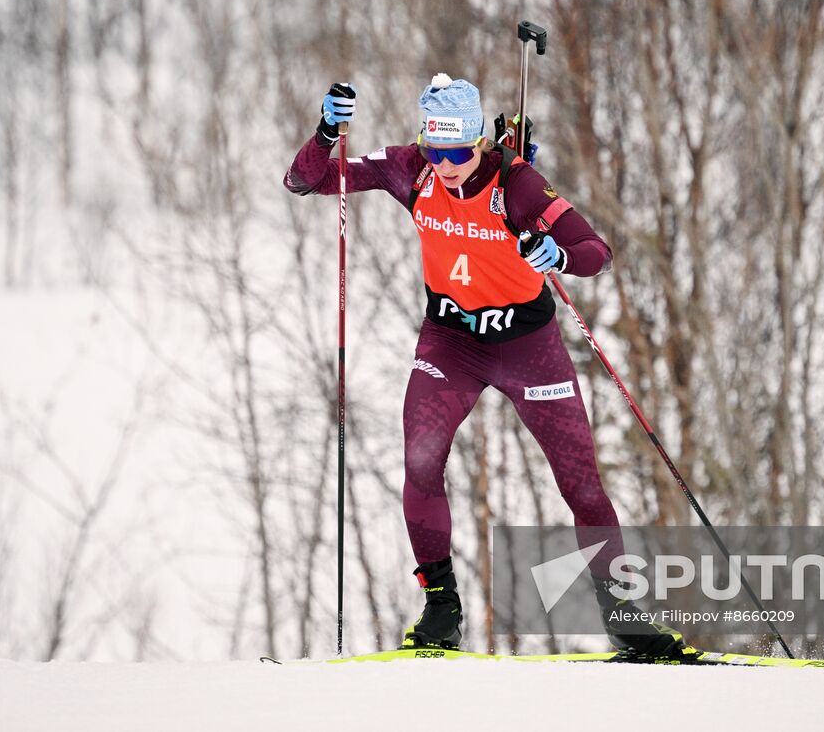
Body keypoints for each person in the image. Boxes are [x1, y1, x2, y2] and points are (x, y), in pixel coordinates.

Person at [285, 75, 695, 661]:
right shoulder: (413, 169)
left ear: (480, 141)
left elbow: (595, 252)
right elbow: (307, 181)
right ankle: (441, 609)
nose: (447, 164)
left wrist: (558, 256)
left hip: (528, 344)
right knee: (421, 459)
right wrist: (327, 133)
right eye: (436, 149)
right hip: (450, 342)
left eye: (459, 151)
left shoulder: (518, 183)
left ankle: (622, 613)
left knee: (580, 482)